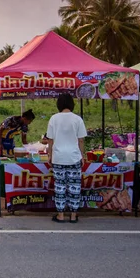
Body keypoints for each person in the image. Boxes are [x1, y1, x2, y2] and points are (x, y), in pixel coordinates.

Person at [46, 93, 87, 224]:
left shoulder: (53, 118)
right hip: (74, 157)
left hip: (58, 157)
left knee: (60, 186)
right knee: (74, 186)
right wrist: (82, 155)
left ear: (59, 104)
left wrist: (50, 155)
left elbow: (50, 140)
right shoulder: (77, 119)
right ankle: (74, 215)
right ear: (71, 104)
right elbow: (81, 140)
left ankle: (61, 215)